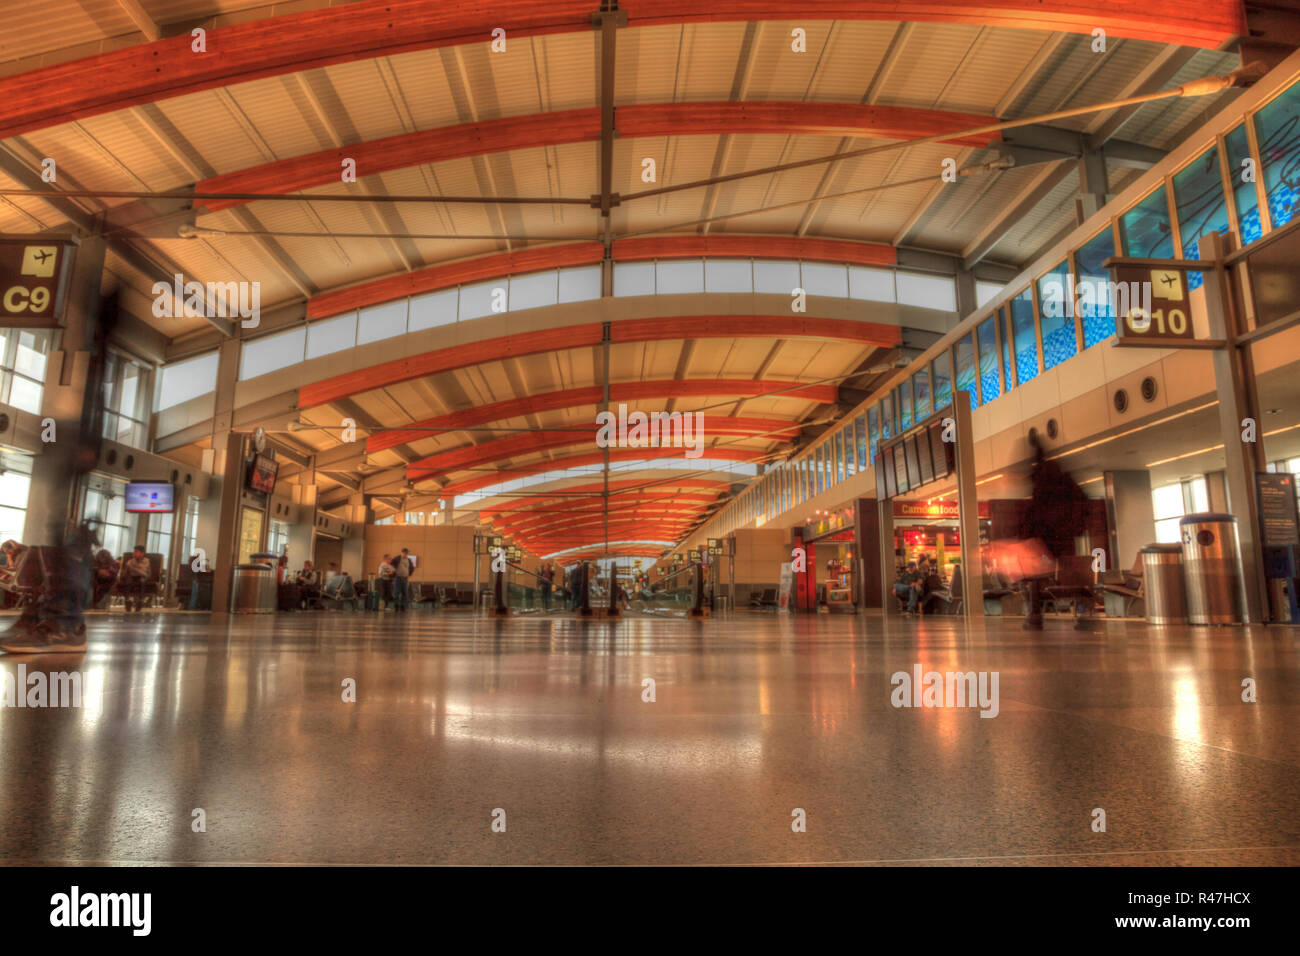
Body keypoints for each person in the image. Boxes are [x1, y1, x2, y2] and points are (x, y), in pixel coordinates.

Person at [1016, 430, 1089, 629]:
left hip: (1047, 546)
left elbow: (1030, 522)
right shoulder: (1066, 486)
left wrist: (1025, 539)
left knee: (1030, 577)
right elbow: (1084, 505)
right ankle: (1082, 614)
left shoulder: (1042, 495)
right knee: (1070, 575)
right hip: (1065, 543)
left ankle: (1035, 614)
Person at [119, 545, 152, 612]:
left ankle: (140, 601)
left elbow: (147, 572)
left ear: (142, 553)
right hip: (132, 576)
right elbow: (126, 572)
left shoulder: (146, 561)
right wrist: (127, 569)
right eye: (134, 552)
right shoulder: (130, 561)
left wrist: (135, 569)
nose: (134, 553)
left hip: (142, 577)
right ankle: (128, 601)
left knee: (142, 582)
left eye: (136, 552)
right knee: (128, 581)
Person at [392, 548, 414, 612]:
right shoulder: (397, 558)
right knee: (396, 593)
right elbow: (391, 565)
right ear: (402, 552)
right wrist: (393, 573)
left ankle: (402, 606)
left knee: (405, 593)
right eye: (405, 552)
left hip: (405, 578)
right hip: (398, 578)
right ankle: (396, 606)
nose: (406, 554)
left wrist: (409, 574)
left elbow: (411, 568)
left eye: (407, 553)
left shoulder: (409, 560)